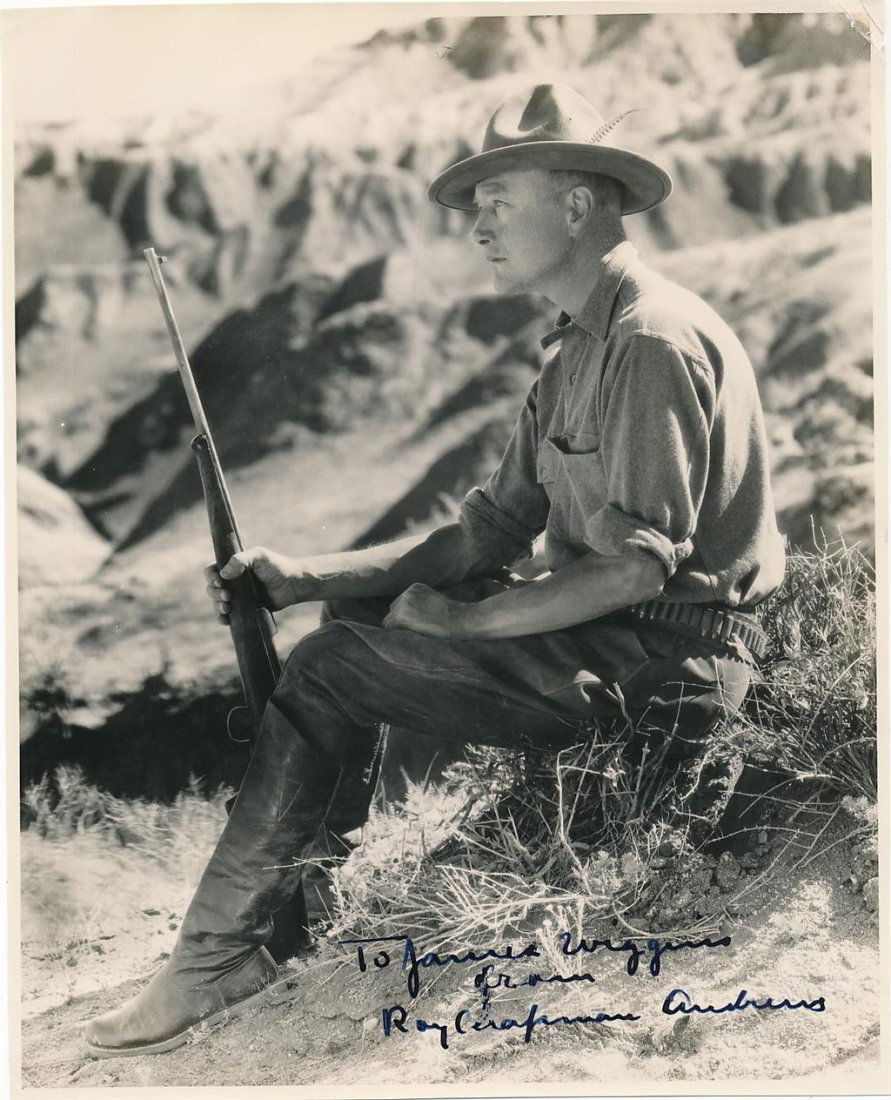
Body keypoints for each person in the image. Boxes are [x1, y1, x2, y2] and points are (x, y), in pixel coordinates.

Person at [85, 83, 785, 1057]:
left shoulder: (650, 341)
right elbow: (482, 536)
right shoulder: (575, 353)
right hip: (611, 643)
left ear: (578, 205)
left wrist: (461, 629)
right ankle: (292, 909)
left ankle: (212, 958)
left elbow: (632, 571)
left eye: (500, 198)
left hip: (668, 669)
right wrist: (303, 577)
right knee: (348, 632)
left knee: (333, 668)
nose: (477, 224)